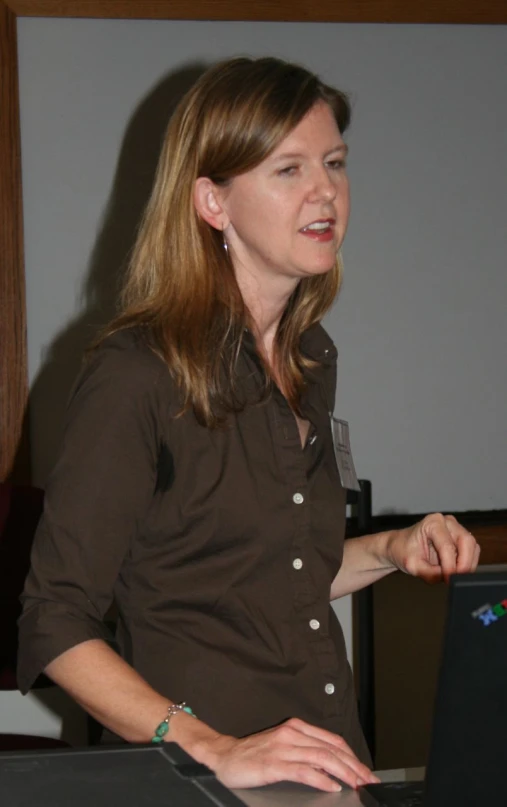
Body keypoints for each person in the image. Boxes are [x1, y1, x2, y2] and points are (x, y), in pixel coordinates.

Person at [18, 57, 480, 794]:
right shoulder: (137, 374)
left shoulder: (307, 361)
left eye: (333, 162)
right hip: (196, 782)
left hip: (325, 768)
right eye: (287, 169)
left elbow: (276, 572)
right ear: (212, 202)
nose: (325, 189)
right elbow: (54, 620)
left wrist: (391, 548)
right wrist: (213, 745)